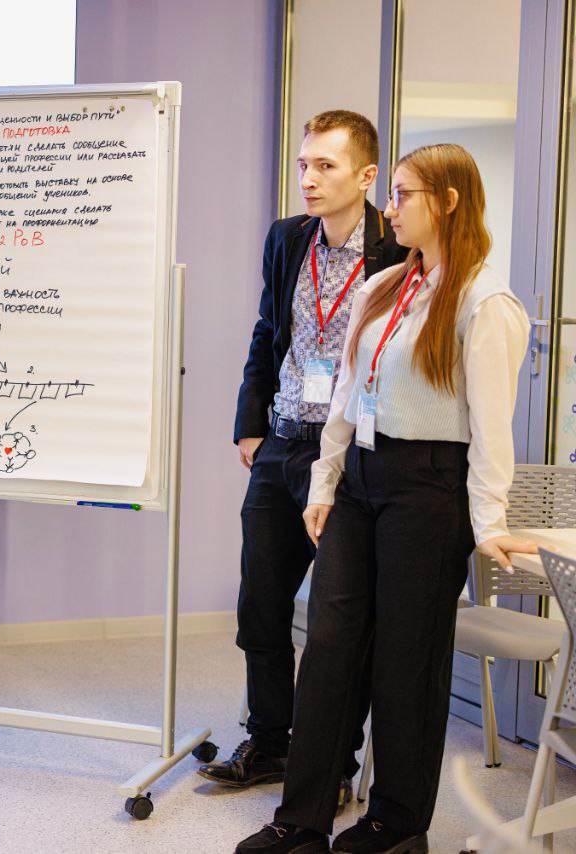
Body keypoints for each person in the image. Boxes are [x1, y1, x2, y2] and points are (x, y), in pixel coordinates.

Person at [235, 144, 537, 854]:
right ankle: (301, 819)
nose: (391, 210)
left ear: (449, 202)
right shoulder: (386, 285)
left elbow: (492, 427)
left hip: (429, 487)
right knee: (331, 645)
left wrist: (489, 520)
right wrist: (326, 482)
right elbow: (347, 394)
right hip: (361, 479)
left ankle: (396, 825)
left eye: (403, 195)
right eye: (393, 194)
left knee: (407, 658)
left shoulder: (486, 302)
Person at [204, 111, 405, 806]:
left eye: (326, 166)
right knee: (260, 605)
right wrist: (250, 424)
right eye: (303, 165)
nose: (309, 179)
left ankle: (334, 764)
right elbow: (269, 329)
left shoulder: (396, 248)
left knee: (338, 624)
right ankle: (269, 742)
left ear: (367, 176)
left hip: (349, 454)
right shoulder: (287, 237)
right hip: (282, 442)